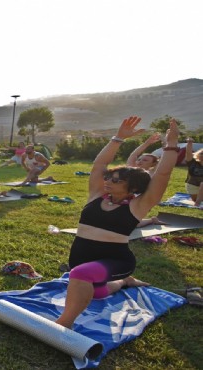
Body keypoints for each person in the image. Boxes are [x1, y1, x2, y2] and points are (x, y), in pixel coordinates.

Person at [55, 116, 180, 329]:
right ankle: (124, 282)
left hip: (116, 260)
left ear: (132, 189)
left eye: (116, 180)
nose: (108, 181)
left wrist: (171, 146)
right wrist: (119, 138)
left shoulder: (138, 205)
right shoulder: (96, 195)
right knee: (95, 291)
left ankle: (63, 324)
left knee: (80, 275)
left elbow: (163, 174)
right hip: (80, 259)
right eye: (109, 178)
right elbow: (100, 164)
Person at [184, 137, 203, 206]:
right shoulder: (192, 162)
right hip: (192, 185)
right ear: (197, 155)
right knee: (195, 199)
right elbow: (188, 153)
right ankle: (198, 201)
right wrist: (190, 143)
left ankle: (197, 203)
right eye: (202, 153)